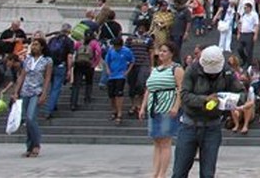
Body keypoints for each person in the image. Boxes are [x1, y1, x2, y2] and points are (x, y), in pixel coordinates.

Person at [171, 45, 248, 178]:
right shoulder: (192, 70)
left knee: (208, 173)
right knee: (179, 171)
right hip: (190, 124)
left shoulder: (226, 72)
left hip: (212, 126)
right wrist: (204, 100)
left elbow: (242, 94)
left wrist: (226, 100)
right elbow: (184, 95)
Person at [140, 42, 184, 178]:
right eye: (161, 51)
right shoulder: (155, 69)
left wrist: (176, 106)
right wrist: (143, 106)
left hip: (167, 106)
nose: (161, 54)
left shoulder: (176, 69)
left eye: (165, 51)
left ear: (171, 53)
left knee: (165, 141)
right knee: (156, 141)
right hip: (154, 107)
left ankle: (162, 173)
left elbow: (181, 89)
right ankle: (155, 171)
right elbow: (149, 89)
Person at [12, 37, 52, 158]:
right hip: (25, 91)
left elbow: (47, 78)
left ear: (42, 47)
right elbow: (22, 76)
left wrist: (44, 93)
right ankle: (29, 146)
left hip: (37, 91)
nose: (34, 47)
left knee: (31, 117)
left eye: (36, 45)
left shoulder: (47, 60)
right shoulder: (28, 59)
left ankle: (36, 144)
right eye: (32, 45)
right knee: (26, 120)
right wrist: (16, 92)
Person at [42, 24, 74, 120]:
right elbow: (69, 56)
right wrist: (69, 70)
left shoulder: (52, 39)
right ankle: (49, 110)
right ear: (69, 31)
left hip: (50, 65)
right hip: (61, 66)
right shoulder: (69, 41)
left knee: (51, 86)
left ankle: (53, 104)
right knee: (56, 88)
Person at [104, 36, 135, 124]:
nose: (116, 48)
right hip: (112, 75)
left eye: (117, 46)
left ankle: (120, 113)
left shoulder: (126, 51)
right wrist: (108, 69)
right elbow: (107, 61)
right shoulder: (111, 50)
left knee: (119, 94)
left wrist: (127, 71)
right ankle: (114, 110)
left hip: (120, 76)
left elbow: (132, 61)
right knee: (111, 95)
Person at [70, 31, 101, 110]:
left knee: (76, 84)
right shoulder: (94, 43)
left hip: (78, 64)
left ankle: (73, 103)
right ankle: (87, 97)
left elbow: (73, 51)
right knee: (89, 82)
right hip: (89, 65)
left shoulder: (79, 42)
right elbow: (98, 52)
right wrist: (95, 63)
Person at [236, 2, 259, 67]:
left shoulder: (254, 15)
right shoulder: (243, 15)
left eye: (246, 8)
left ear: (249, 8)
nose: (245, 9)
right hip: (243, 33)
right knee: (239, 48)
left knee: (249, 50)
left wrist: (255, 35)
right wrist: (238, 33)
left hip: (250, 33)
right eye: (244, 8)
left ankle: (249, 64)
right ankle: (244, 58)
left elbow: (256, 25)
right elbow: (240, 24)